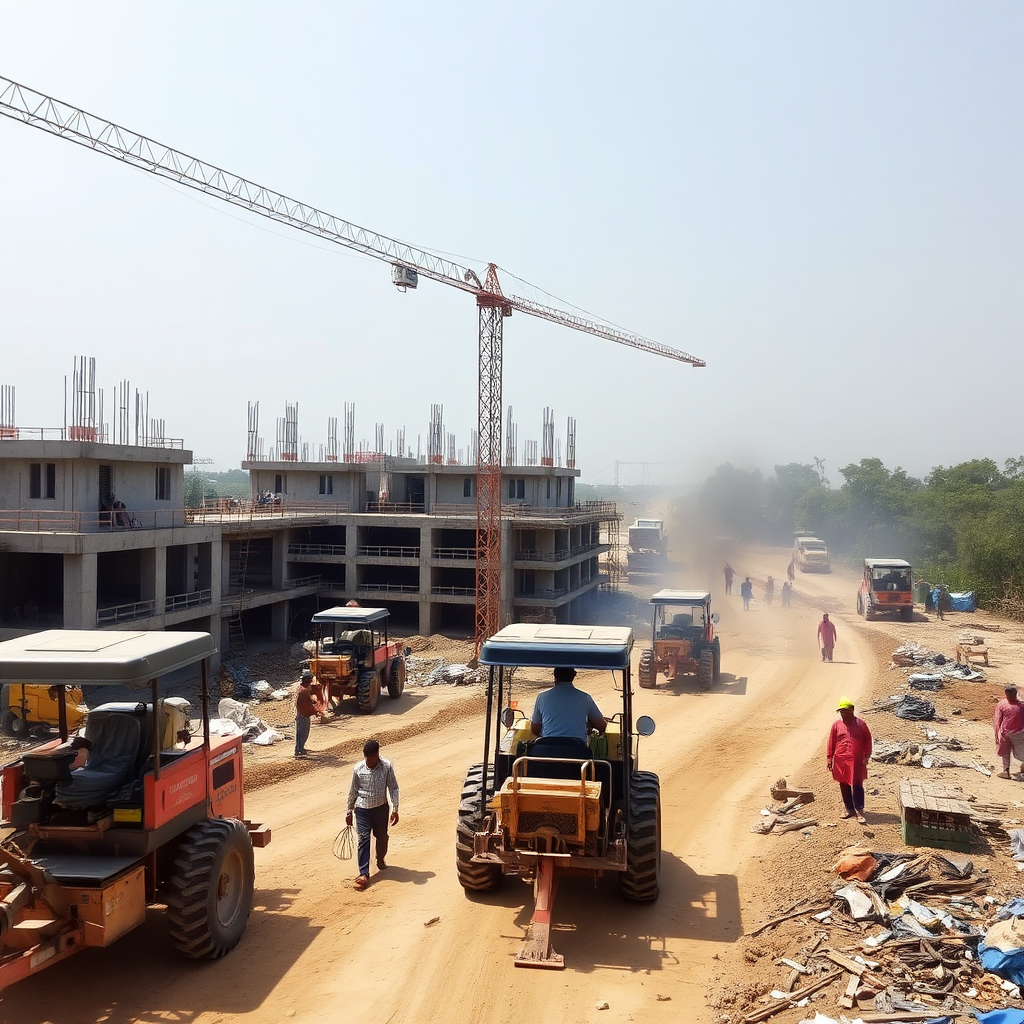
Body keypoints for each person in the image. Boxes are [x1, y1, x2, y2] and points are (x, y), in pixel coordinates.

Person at [345, 739, 400, 891]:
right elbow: (353, 791)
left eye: (371, 759)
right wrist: (349, 811)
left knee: (382, 836)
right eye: (366, 759)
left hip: (381, 810)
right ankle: (364, 873)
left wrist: (395, 809)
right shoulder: (358, 769)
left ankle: (380, 857)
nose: (368, 762)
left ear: (377, 755)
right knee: (363, 838)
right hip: (362, 811)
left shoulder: (387, 767)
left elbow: (393, 788)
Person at [530, 666, 606, 757]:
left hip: (547, 751)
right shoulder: (584, 697)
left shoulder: (542, 697)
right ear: (574, 675)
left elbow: (535, 729)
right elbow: (601, 726)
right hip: (576, 752)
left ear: (554, 675)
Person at [827, 699, 872, 823]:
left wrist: (867, 755)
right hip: (841, 760)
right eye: (841, 712)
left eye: (845, 711)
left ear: (852, 710)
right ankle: (849, 809)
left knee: (857, 784)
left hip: (857, 760)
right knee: (844, 784)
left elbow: (868, 740)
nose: (843, 714)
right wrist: (830, 758)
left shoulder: (861, 724)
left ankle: (859, 810)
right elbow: (831, 742)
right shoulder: (836, 725)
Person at [994, 685, 1024, 779]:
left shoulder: (1002, 705)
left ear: (1006, 695)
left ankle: (1006, 771)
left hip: (1006, 733)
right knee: (1021, 751)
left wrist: (997, 735)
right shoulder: (1021, 706)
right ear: (1016, 694)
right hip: (1019, 732)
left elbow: (997, 721)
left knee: (1005, 751)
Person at [294, 668, 324, 757]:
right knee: (304, 733)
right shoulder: (304, 691)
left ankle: (298, 749)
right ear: (308, 680)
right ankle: (300, 750)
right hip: (303, 714)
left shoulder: (301, 688)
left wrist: (312, 701)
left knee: (299, 733)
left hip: (299, 713)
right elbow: (306, 705)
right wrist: (316, 711)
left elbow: (306, 701)